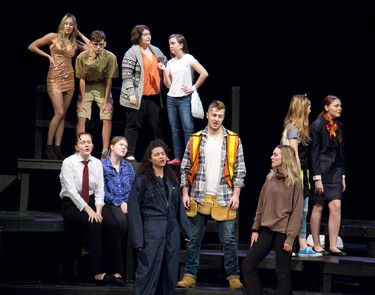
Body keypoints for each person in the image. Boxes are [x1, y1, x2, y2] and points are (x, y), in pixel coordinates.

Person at [177, 100, 246, 290]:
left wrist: (237, 194)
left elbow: (240, 170)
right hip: (198, 195)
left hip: (224, 196)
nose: (216, 119)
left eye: (220, 116)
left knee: (229, 240)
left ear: (223, 117)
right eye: (213, 115)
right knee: (193, 239)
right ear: (207, 114)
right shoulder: (196, 139)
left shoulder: (233, 139)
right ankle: (190, 275)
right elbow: (185, 168)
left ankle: (233, 276)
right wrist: (185, 192)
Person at [59, 132, 126, 286]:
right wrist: (90, 212)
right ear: (77, 147)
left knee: (112, 223)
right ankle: (98, 273)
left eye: (89, 142)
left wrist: (98, 211)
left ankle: (116, 271)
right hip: (72, 203)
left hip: (93, 202)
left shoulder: (96, 163)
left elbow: (100, 190)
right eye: (83, 142)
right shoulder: (68, 162)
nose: (86, 145)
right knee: (94, 223)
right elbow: (71, 191)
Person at [127, 139, 192, 295]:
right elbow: (134, 211)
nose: (161, 157)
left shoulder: (172, 179)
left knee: (169, 272)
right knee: (148, 271)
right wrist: (138, 239)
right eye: (157, 154)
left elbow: (178, 208)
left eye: (163, 153)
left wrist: (186, 229)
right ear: (150, 159)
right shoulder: (142, 181)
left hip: (171, 231)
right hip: (152, 231)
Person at [241, 144, 303, 295]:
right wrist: (255, 228)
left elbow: (297, 212)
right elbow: (261, 205)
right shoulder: (270, 178)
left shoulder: (295, 181)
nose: (271, 157)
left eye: (275, 155)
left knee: (282, 273)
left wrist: (290, 238)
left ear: (285, 159)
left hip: (283, 231)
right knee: (247, 265)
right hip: (267, 230)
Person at [28, 13, 90, 160]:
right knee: (59, 112)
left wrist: (79, 32)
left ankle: (57, 148)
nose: (68, 26)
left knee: (63, 115)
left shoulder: (74, 43)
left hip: (69, 78)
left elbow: (90, 48)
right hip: (55, 77)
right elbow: (32, 46)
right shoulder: (53, 37)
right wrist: (48, 56)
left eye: (71, 24)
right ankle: (48, 146)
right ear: (62, 24)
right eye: (67, 23)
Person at [280, 94, 322, 257]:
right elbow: (293, 153)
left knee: (302, 210)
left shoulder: (294, 127)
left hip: (299, 173)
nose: (310, 109)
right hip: (295, 174)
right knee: (298, 211)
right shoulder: (294, 128)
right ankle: (296, 244)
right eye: (309, 106)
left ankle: (301, 244)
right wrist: (298, 176)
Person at [119, 24, 168, 162]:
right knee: (133, 125)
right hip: (137, 96)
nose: (148, 37)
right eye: (145, 34)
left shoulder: (155, 50)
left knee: (157, 128)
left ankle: (160, 155)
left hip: (153, 96)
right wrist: (132, 94)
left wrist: (163, 67)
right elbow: (127, 75)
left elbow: (166, 62)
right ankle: (129, 153)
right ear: (138, 37)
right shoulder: (132, 52)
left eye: (149, 34)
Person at [162, 33, 209, 165]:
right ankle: (178, 157)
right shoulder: (170, 62)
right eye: (170, 43)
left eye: (173, 43)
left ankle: (190, 157)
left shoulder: (188, 58)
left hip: (184, 98)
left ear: (181, 45)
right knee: (175, 129)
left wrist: (193, 87)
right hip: (171, 98)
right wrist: (165, 71)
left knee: (188, 127)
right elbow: (168, 85)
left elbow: (204, 73)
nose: (170, 46)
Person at [309, 95, 347, 256]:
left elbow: (342, 153)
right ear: (326, 107)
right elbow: (314, 154)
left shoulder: (340, 126)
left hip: (335, 171)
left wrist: (343, 175)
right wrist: (317, 178)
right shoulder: (317, 126)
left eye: (340, 106)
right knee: (318, 206)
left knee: (336, 206)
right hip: (321, 171)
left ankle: (333, 245)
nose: (339, 108)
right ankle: (317, 244)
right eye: (336, 106)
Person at [75, 30, 119, 160]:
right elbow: (81, 79)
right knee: (82, 114)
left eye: (101, 44)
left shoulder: (111, 57)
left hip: (102, 86)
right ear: (91, 44)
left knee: (107, 114)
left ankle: (105, 152)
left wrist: (106, 102)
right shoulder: (82, 57)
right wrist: (82, 100)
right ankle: (81, 148)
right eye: (95, 44)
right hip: (87, 86)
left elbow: (109, 79)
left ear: (105, 43)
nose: (98, 47)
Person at [101, 136, 135, 281]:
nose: (124, 148)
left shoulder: (128, 167)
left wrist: (127, 202)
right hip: (110, 203)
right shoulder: (102, 165)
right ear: (112, 146)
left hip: (127, 203)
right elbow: (102, 190)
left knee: (137, 224)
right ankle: (117, 268)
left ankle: (132, 270)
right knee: (121, 223)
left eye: (126, 146)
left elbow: (134, 188)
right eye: (121, 145)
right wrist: (119, 202)